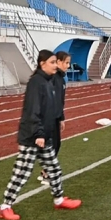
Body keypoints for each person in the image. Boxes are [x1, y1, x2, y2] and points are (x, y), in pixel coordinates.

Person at [0, 50, 82, 220]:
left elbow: (50, 109)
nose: (55, 65)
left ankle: (59, 199)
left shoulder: (49, 82)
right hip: (33, 137)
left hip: (45, 135)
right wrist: (38, 134)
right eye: (52, 62)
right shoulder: (37, 83)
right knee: (22, 172)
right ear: (42, 64)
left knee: (54, 169)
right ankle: (5, 206)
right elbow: (33, 110)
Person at [38, 50, 70, 185]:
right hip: (49, 118)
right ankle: (46, 173)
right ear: (58, 62)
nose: (68, 66)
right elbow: (52, 100)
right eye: (66, 63)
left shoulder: (61, 79)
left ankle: (46, 171)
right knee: (51, 145)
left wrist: (61, 117)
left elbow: (60, 101)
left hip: (55, 117)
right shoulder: (54, 79)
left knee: (55, 144)